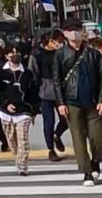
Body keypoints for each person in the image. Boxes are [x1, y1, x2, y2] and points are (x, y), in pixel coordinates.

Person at [53, 18, 102, 187]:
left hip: (92, 101)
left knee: (98, 137)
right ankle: (87, 173)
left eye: (77, 29)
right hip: (71, 101)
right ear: (64, 33)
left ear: (82, 31)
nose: (74, 33)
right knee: (78, 138)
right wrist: (60, 103)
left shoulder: (93, 54)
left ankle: (96, 160)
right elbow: (57, 81)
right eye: (70, 30)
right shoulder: (60, 54)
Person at [0, 47, 39, 176]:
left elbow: (34, 93)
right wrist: (5, 104)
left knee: (23, 139)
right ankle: (18, 160)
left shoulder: (27, 73)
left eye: (17, 52)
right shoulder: (0, 72)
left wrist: (34, 111)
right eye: (12, 53)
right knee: (11, 141)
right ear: (7, 56)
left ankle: (23, 165)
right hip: (6, 113)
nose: (15, 54)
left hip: (24, 111)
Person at [32, 29, 68, 161]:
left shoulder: (63, 53)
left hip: (62, 93)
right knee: (49, 121)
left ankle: (56, 135)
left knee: (67, 119)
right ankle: (51, 149)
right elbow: (33, 74)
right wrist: (34, 98)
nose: (60, 44)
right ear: (51, 41)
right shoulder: (37, 54)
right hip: (45, 93)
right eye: (59, 41)